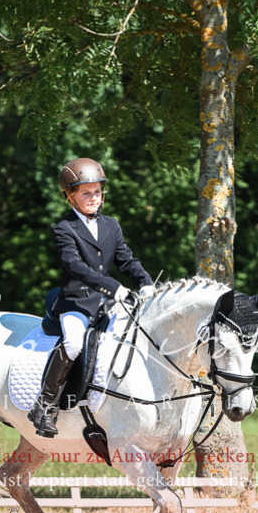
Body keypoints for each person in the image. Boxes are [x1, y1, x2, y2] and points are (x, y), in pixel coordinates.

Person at [28, 157, 155, 438]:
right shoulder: (64, 229)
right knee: (74, 344)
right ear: (69, 196)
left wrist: (145, 282)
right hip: (76, 302)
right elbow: (75, 267)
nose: (93, 198)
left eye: (97, 192)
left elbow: (126, 259)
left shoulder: (111, 226)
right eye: (86, 193)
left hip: (107, 304)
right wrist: (113, 287)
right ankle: (44, 404)